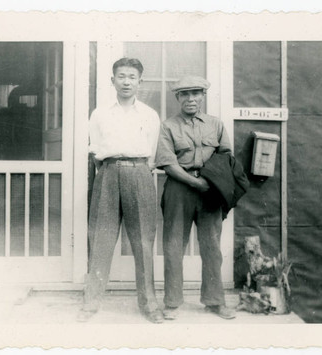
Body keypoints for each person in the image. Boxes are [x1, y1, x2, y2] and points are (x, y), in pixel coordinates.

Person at [78, 58, 163, 323]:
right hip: (108, 172)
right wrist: (110, 170)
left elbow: (151, 154)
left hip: (139, 173)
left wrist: (136, 170)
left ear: (140, 81)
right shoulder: (100, 114)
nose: (126, 81)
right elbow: (96, 151)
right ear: (112, 80)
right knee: (101, 240)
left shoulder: (149, 115)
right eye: (121, 76)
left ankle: (149, 304)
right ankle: (91, 303)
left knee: (143, 242)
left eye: (132, 77)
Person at [155, 76, 236, 320]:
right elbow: (168, 163)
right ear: (178, 98)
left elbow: (226, 157)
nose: (191, 99)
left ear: (203, 96)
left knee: (212, 247)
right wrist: (194, 182)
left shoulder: (216, 124)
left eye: (196, 94)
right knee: (173, 245)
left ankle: (214, 301)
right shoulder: (168, 126)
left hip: (210, 189)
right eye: (185, 94)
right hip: (180, 187)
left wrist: (211, 183)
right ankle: (172, 302)